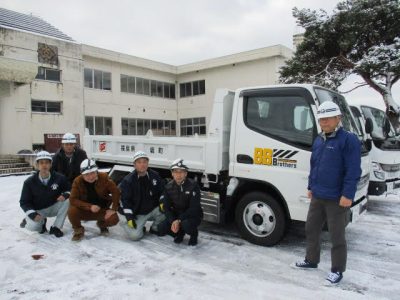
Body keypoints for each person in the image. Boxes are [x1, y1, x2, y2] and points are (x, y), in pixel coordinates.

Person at [293, 101, 361, 285]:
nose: (324, 122)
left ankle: (337, 270)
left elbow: (353, 170)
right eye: (321, 118)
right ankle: (311, 260)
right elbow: (315, 165)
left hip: (337, 198)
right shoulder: (319, 139)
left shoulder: (348, 140)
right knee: (311, 229)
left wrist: (348, 194)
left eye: (328, 118)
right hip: (318, 194)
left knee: (336, 236)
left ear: (338, 118)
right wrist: (310, 186)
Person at [19, 151, 70, 237]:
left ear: (50, 164)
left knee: (68, 200)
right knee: (33, 227)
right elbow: (24, 202)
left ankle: (56, 227)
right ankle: (39, 224)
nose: (44, 165)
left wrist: (65, 195)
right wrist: (32, 214)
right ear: (37, 165)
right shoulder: (29, 182)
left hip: (53, 206)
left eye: (47, 162)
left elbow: (69, 189)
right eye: (41, 163)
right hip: (38, 211)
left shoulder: (59, 178)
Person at [68, 159, 120, 241]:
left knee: (114, 218)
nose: (90, 177)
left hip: (101, 209)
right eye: (87, 174)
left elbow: (116, 191)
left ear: (97, 171)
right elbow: (72, 199)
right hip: (84, 210)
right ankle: (78, 230)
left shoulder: (104, 177)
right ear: (82, 174)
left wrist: (113, 209)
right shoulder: (77, 181)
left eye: (92, 173)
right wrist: (90, 206)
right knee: (72, 211)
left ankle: (102, 224)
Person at [118, 151, 165, 241]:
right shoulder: (128, 181)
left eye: (144, 162)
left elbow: (163, 191)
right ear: (134, 165)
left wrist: (163, 202)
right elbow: (125, 201)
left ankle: (154, 228)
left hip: (152, 209)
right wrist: (129, 217)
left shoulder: (155, 175)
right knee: (135, 236)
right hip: (138, 213)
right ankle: (124, 222)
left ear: (148, 163)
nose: (142, 164)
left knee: (166, 211)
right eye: (139, 162)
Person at [158, 158, 203, 246]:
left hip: (192, 215)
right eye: (176, 172)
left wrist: (179, 220)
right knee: (162, 228)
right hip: (177, 215)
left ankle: (194, 234)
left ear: (186, 173)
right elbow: (166, 208)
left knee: (186, 225)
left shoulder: (193, 186)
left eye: (181, 172)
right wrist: (173, 220)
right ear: (172, 173)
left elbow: (194, 208)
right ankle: (180, 233)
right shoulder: (168, 187)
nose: (178, 175)